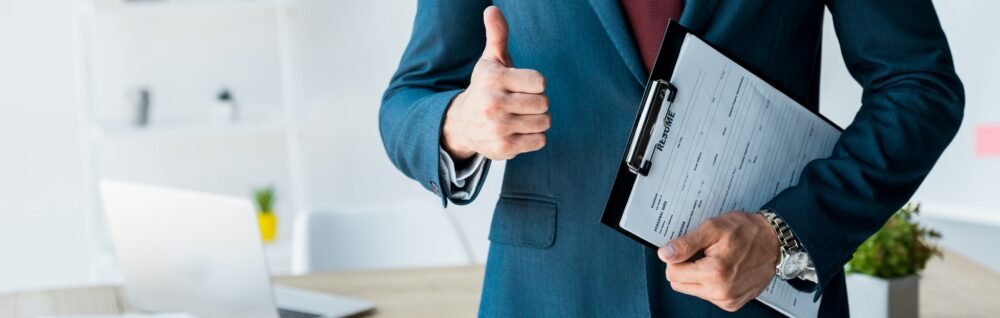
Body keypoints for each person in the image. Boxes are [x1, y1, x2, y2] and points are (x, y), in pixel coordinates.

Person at [379, 1, 962, 316]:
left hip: (752, 293)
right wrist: (458, 122)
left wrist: (786, 235)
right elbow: (409, 98)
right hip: (552, 294)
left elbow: (918, 84)